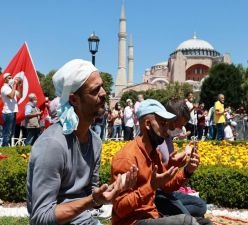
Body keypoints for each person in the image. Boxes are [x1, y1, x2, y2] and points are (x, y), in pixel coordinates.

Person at [26, 59, 138, 225]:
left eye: (102, 86)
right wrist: (92, 200)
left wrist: (113, 190)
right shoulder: (53, 145)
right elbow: (41, 218)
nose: (104, 93)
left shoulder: (95, 141)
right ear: (74, 99)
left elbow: (90, 193)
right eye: (95, 90)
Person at [111, 99, 211, 225]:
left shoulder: (154, 153)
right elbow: (120, 208)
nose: (166, 129)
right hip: (133, 221)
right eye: (162, 124)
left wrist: (187, 170)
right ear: (147, 124)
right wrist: (150, 187)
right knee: (186, 221)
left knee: (205, 222)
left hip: (152, 216)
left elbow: (167, 185)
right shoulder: (126, 158)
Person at [156, 100, 208, 218]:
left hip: (168, 190)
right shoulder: (155, 141)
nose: (181, 128)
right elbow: (162, 175)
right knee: (185, 217)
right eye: (180, 125)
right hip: (158, 192)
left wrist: (184, 158)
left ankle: (170, 212)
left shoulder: (168, 137)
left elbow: (170, 166)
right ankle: (165, 213)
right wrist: (185, 169)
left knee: (201, 206)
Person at [1, 72, 23, 146]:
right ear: (5, 80)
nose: (11, 79)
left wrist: (20, 86)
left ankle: (8, 149)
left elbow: (20, 95)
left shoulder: (10, 88)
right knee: (7, 133)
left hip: (13, 112)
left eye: (11, 77)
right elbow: (11, 96)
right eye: (9, 78)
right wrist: (14, 85)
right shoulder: (4, 88)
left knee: (11, 133)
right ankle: (4, 149)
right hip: (8, 113)